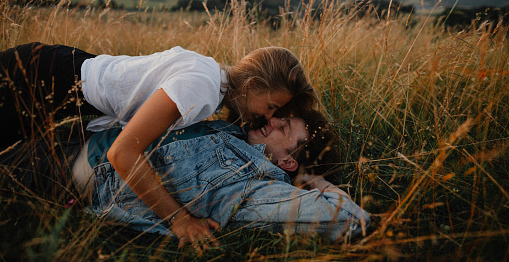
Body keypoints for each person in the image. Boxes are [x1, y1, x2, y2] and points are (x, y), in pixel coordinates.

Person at [0, 42, 318, 244]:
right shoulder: (200, 87)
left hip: (64, 91)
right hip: (33, 77)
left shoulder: (214, 85)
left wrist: (310, 177)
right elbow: (122, 153)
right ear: (250, 86)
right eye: (272, 108)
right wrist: (179, 219)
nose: (267, 118)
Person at [1, 111, 370, 251]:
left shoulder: (255, 182)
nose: (272, 121)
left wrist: (316, 180)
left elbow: (350, 220)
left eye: (284, 129)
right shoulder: (236, 131)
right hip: (79, 131)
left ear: (288, 160)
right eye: (280, 118)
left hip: (75, 171)